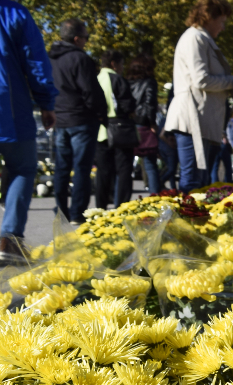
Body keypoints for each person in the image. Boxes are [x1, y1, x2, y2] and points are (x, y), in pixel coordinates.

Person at [0, 0, 57, 253]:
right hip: (7, 106)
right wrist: (46, 102)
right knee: (22, 168)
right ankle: (8, 239)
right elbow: (35, 60)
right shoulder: (12, 12)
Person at [166, 0, 233, 191]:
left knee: (203, 183)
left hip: (205, 121)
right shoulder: (194, 38)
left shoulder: (203, 39)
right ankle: (186, 220)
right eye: (221, 21)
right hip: (193, 119)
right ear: (209, 18)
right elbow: (200, 79)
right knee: (193, 182)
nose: (222, 28)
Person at [49, 18, 102, 222]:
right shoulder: (80, 59)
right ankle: (77, 212)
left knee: (62, 166)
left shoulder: (51, 58)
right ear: (77, 38)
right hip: (81, 118)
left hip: (60, 118)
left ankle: (60, 209)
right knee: (81, 167)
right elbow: (90, 90)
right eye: (86, 38)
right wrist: (98, 112)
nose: (87, 42)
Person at [93, 49, 137, 209]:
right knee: (124, 170)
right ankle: (122, 206)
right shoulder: (117, 79)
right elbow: (127, 105)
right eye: (122, 64)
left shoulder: (96, 78)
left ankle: (100, 206)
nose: (123, 68)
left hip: (100, 131)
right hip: (120, 129)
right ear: (114, 64)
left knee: (103, 173)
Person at [127, 55, 161, 195]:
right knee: (150, 165)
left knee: (126, 165)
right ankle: (154, 197)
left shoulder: (127, 82)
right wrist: (152, 123)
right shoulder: (149, 82)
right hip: (144, 125)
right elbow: (150, 104)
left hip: (129, 125)